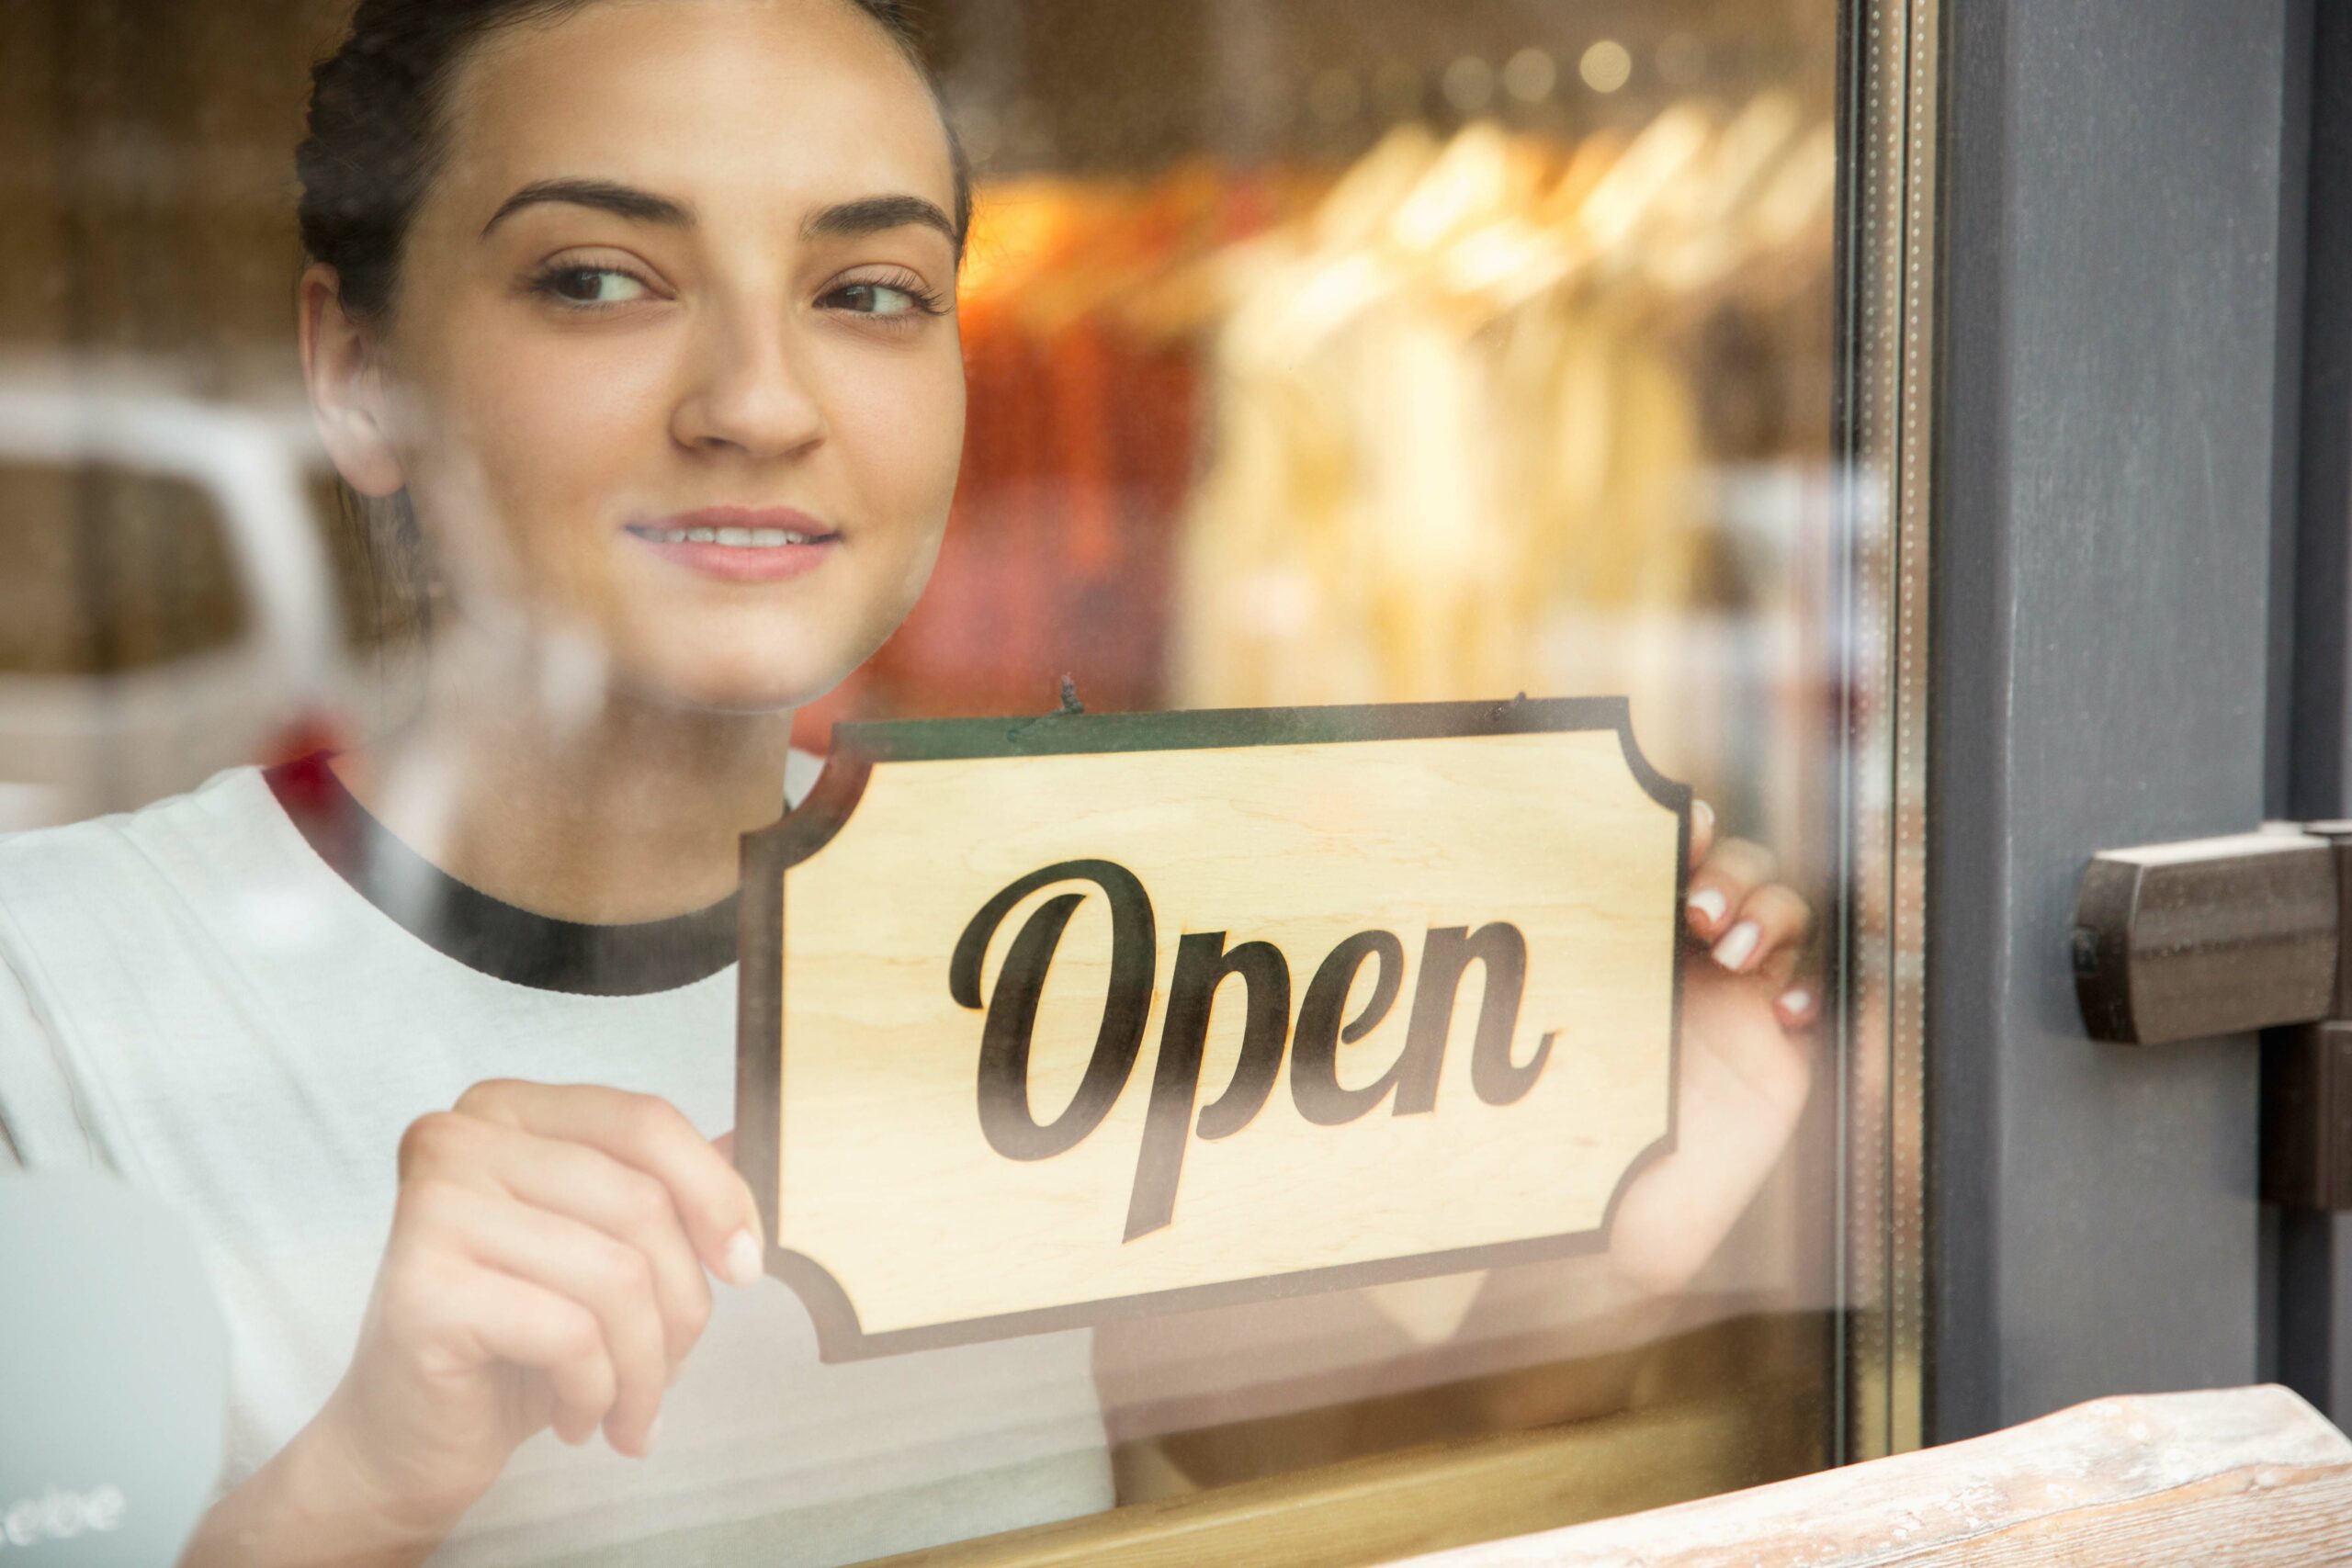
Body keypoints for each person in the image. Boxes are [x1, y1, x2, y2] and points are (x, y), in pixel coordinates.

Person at [0, 0, 1820, 1562]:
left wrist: (1618, 1231)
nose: (758, 398)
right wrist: (360, 1477)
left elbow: (1337, 1491)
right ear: (358, 365)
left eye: (868, 290)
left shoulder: (1038, 909)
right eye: (598, 278)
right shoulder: (50, 993)